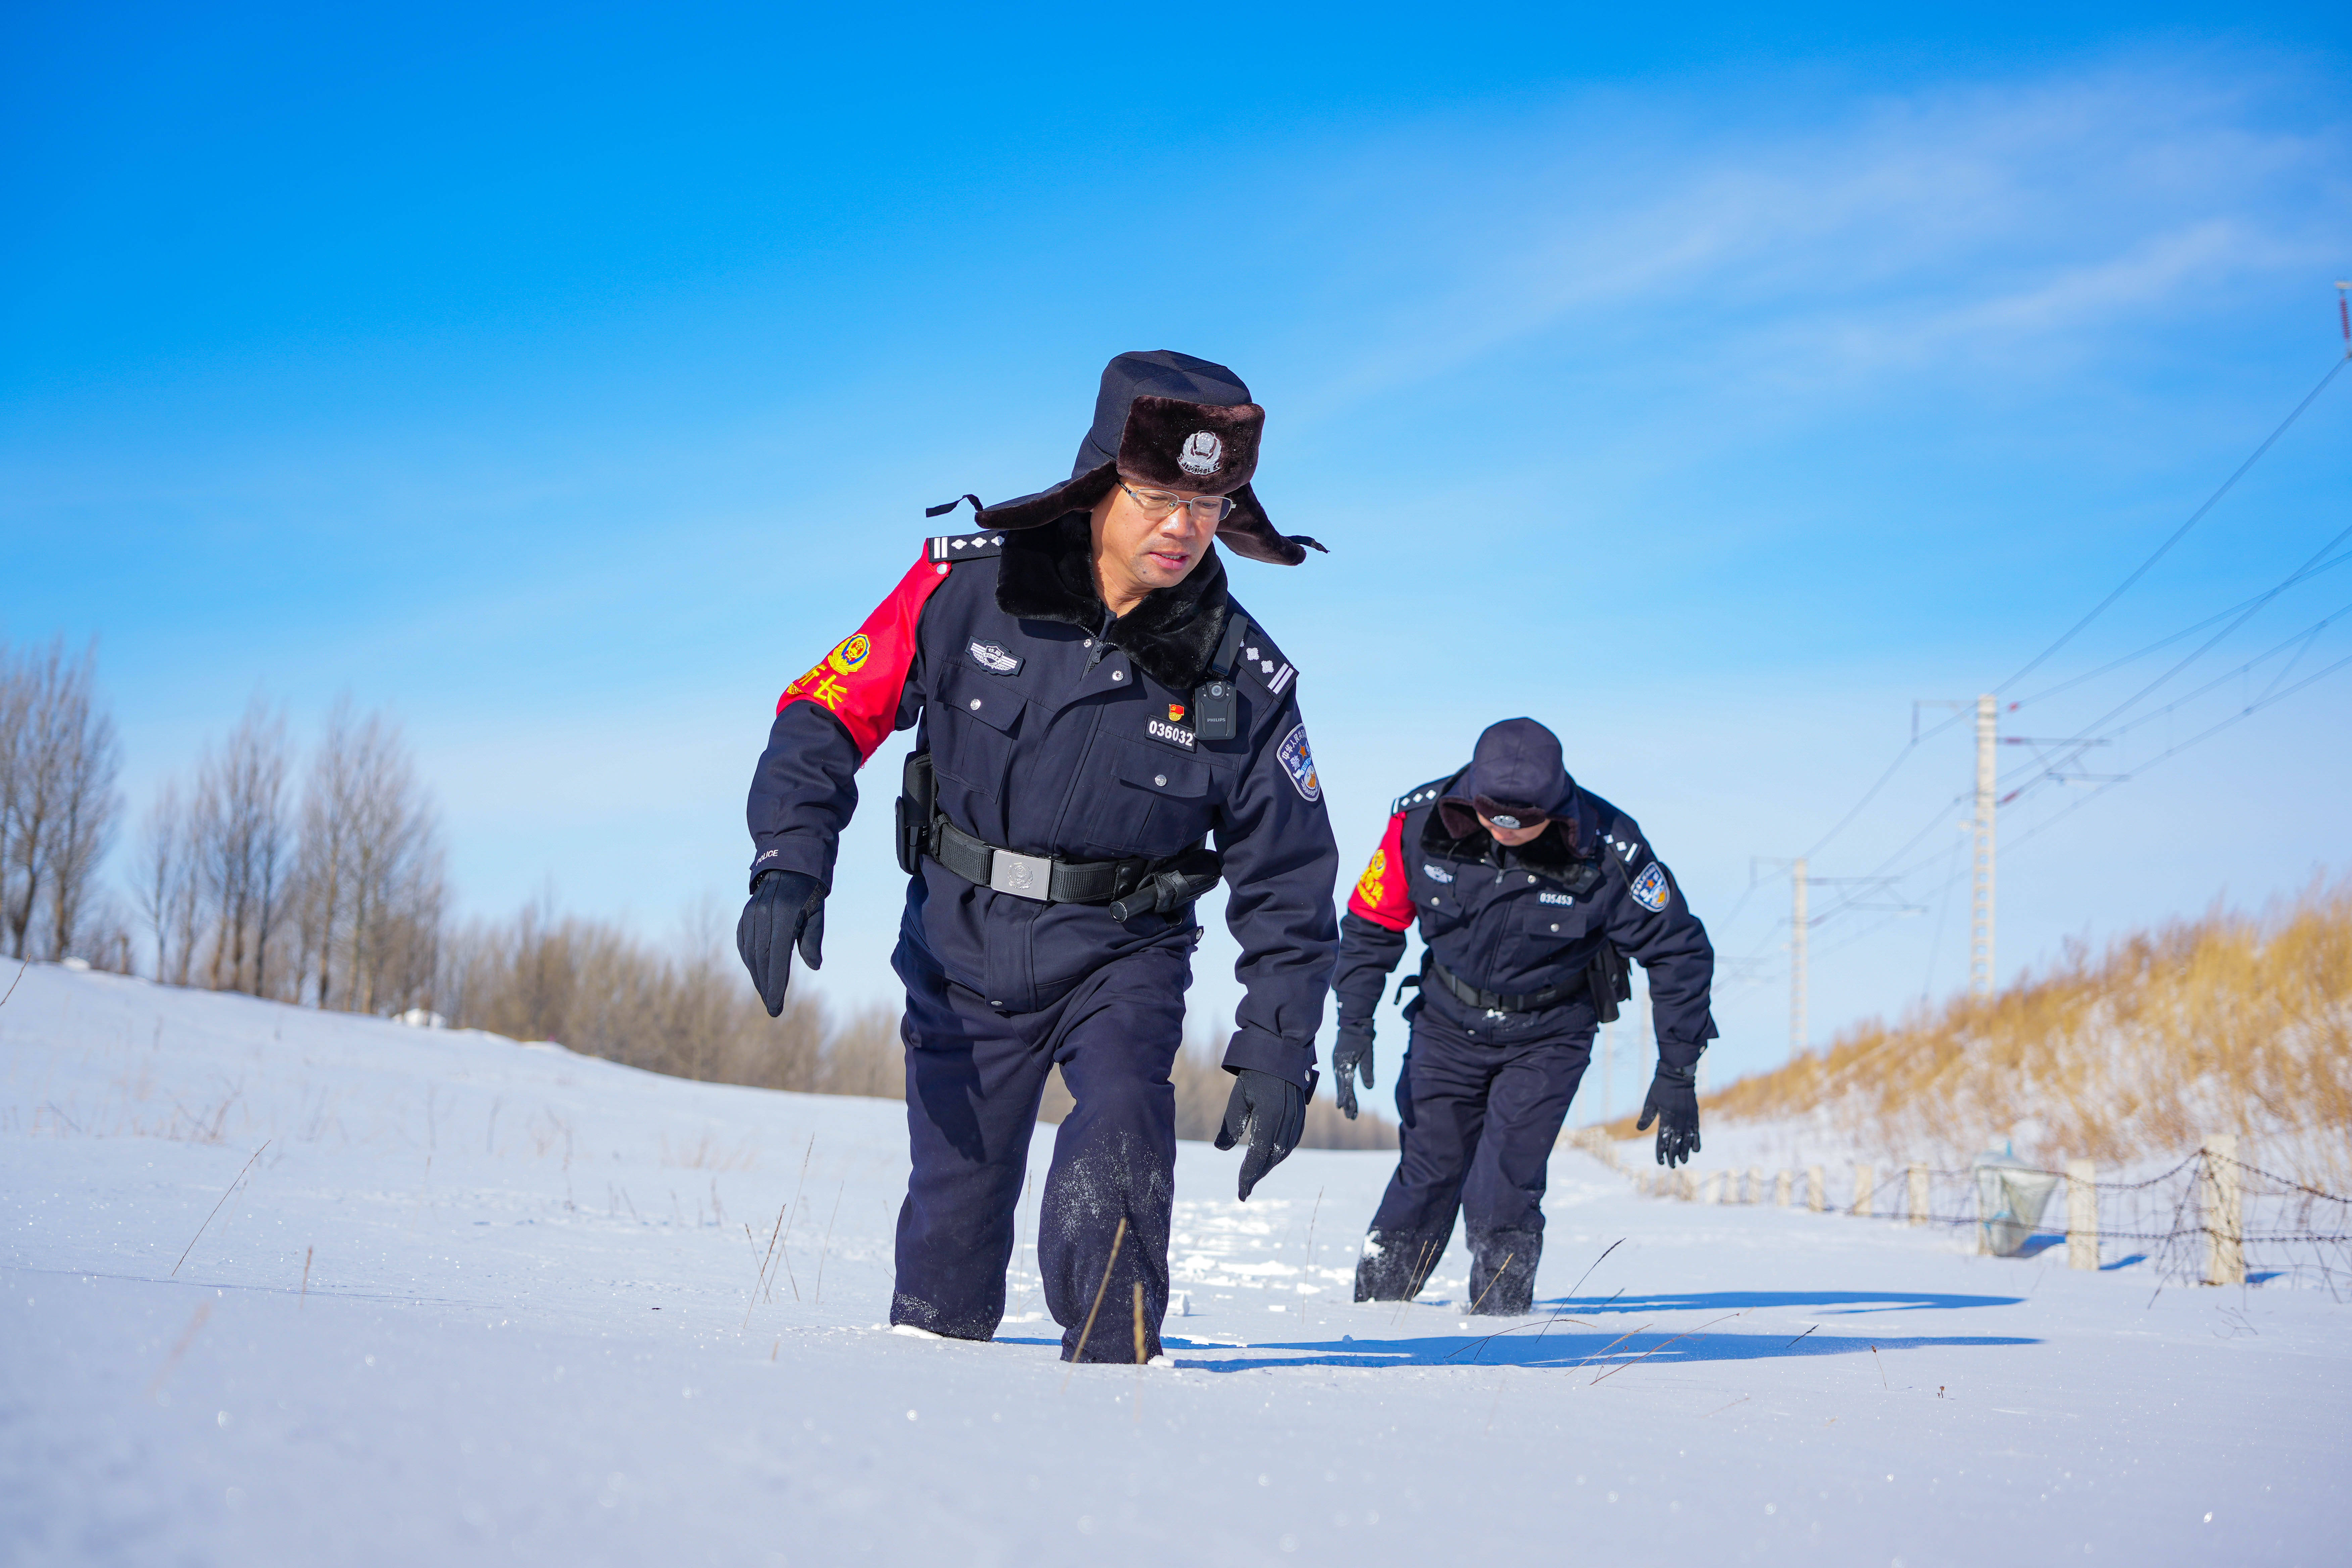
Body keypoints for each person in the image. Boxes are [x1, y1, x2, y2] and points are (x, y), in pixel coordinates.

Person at [737, 351, 1339, 1361]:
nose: (1182, 527)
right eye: (1157, 495)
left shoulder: (1246, 672)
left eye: (1209, 501)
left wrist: (1278, 1047)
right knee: (947, 1257)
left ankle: (1118, 1394)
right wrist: (791, 860)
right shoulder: (965, 589)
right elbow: (827, 711)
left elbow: (1288, 873)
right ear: (1102, 477)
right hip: (958, 948)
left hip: (1122, 957)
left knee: (1117, 1154)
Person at [1329, 717, 1716, 1315]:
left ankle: (1499, 1324)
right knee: (1428, 1170)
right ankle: (1376, 1314)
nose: (1506, 834)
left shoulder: (1612, 848)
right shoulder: (1419, 824)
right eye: (1491, 819)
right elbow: (1373, 923)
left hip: (1549, 1035)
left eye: (1526, 824)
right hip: (1446, 1023)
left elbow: (1679, 951)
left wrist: (1679, 1068)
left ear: (1557, 805)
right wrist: (1355, 1023)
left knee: (1503, 1183)